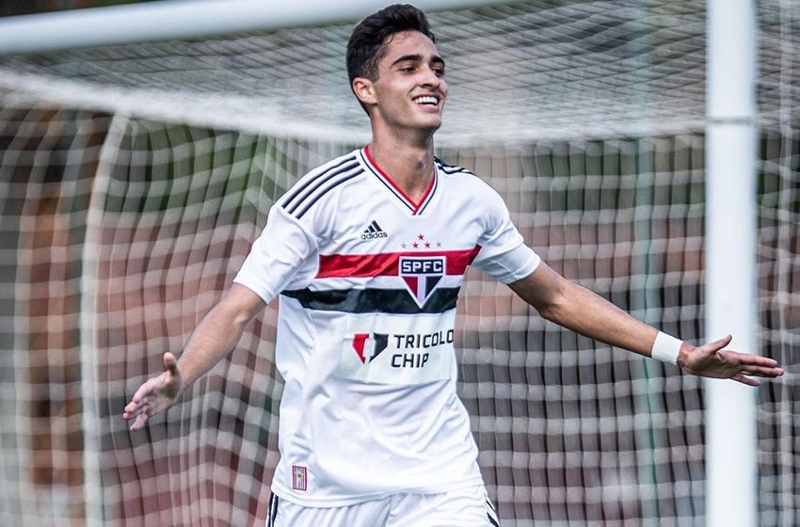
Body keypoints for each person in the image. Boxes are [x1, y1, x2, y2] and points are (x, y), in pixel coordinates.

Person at [123, 4, 784, 526]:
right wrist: (186, 375)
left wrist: (679, 353)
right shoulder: (318, 202)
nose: (431, 78)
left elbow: (554, 295)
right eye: (408, 67)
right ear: (366, 90)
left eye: (436, 66)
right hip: (324, 485)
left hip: (439, 478)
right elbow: (239, 306)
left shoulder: (472, 203)